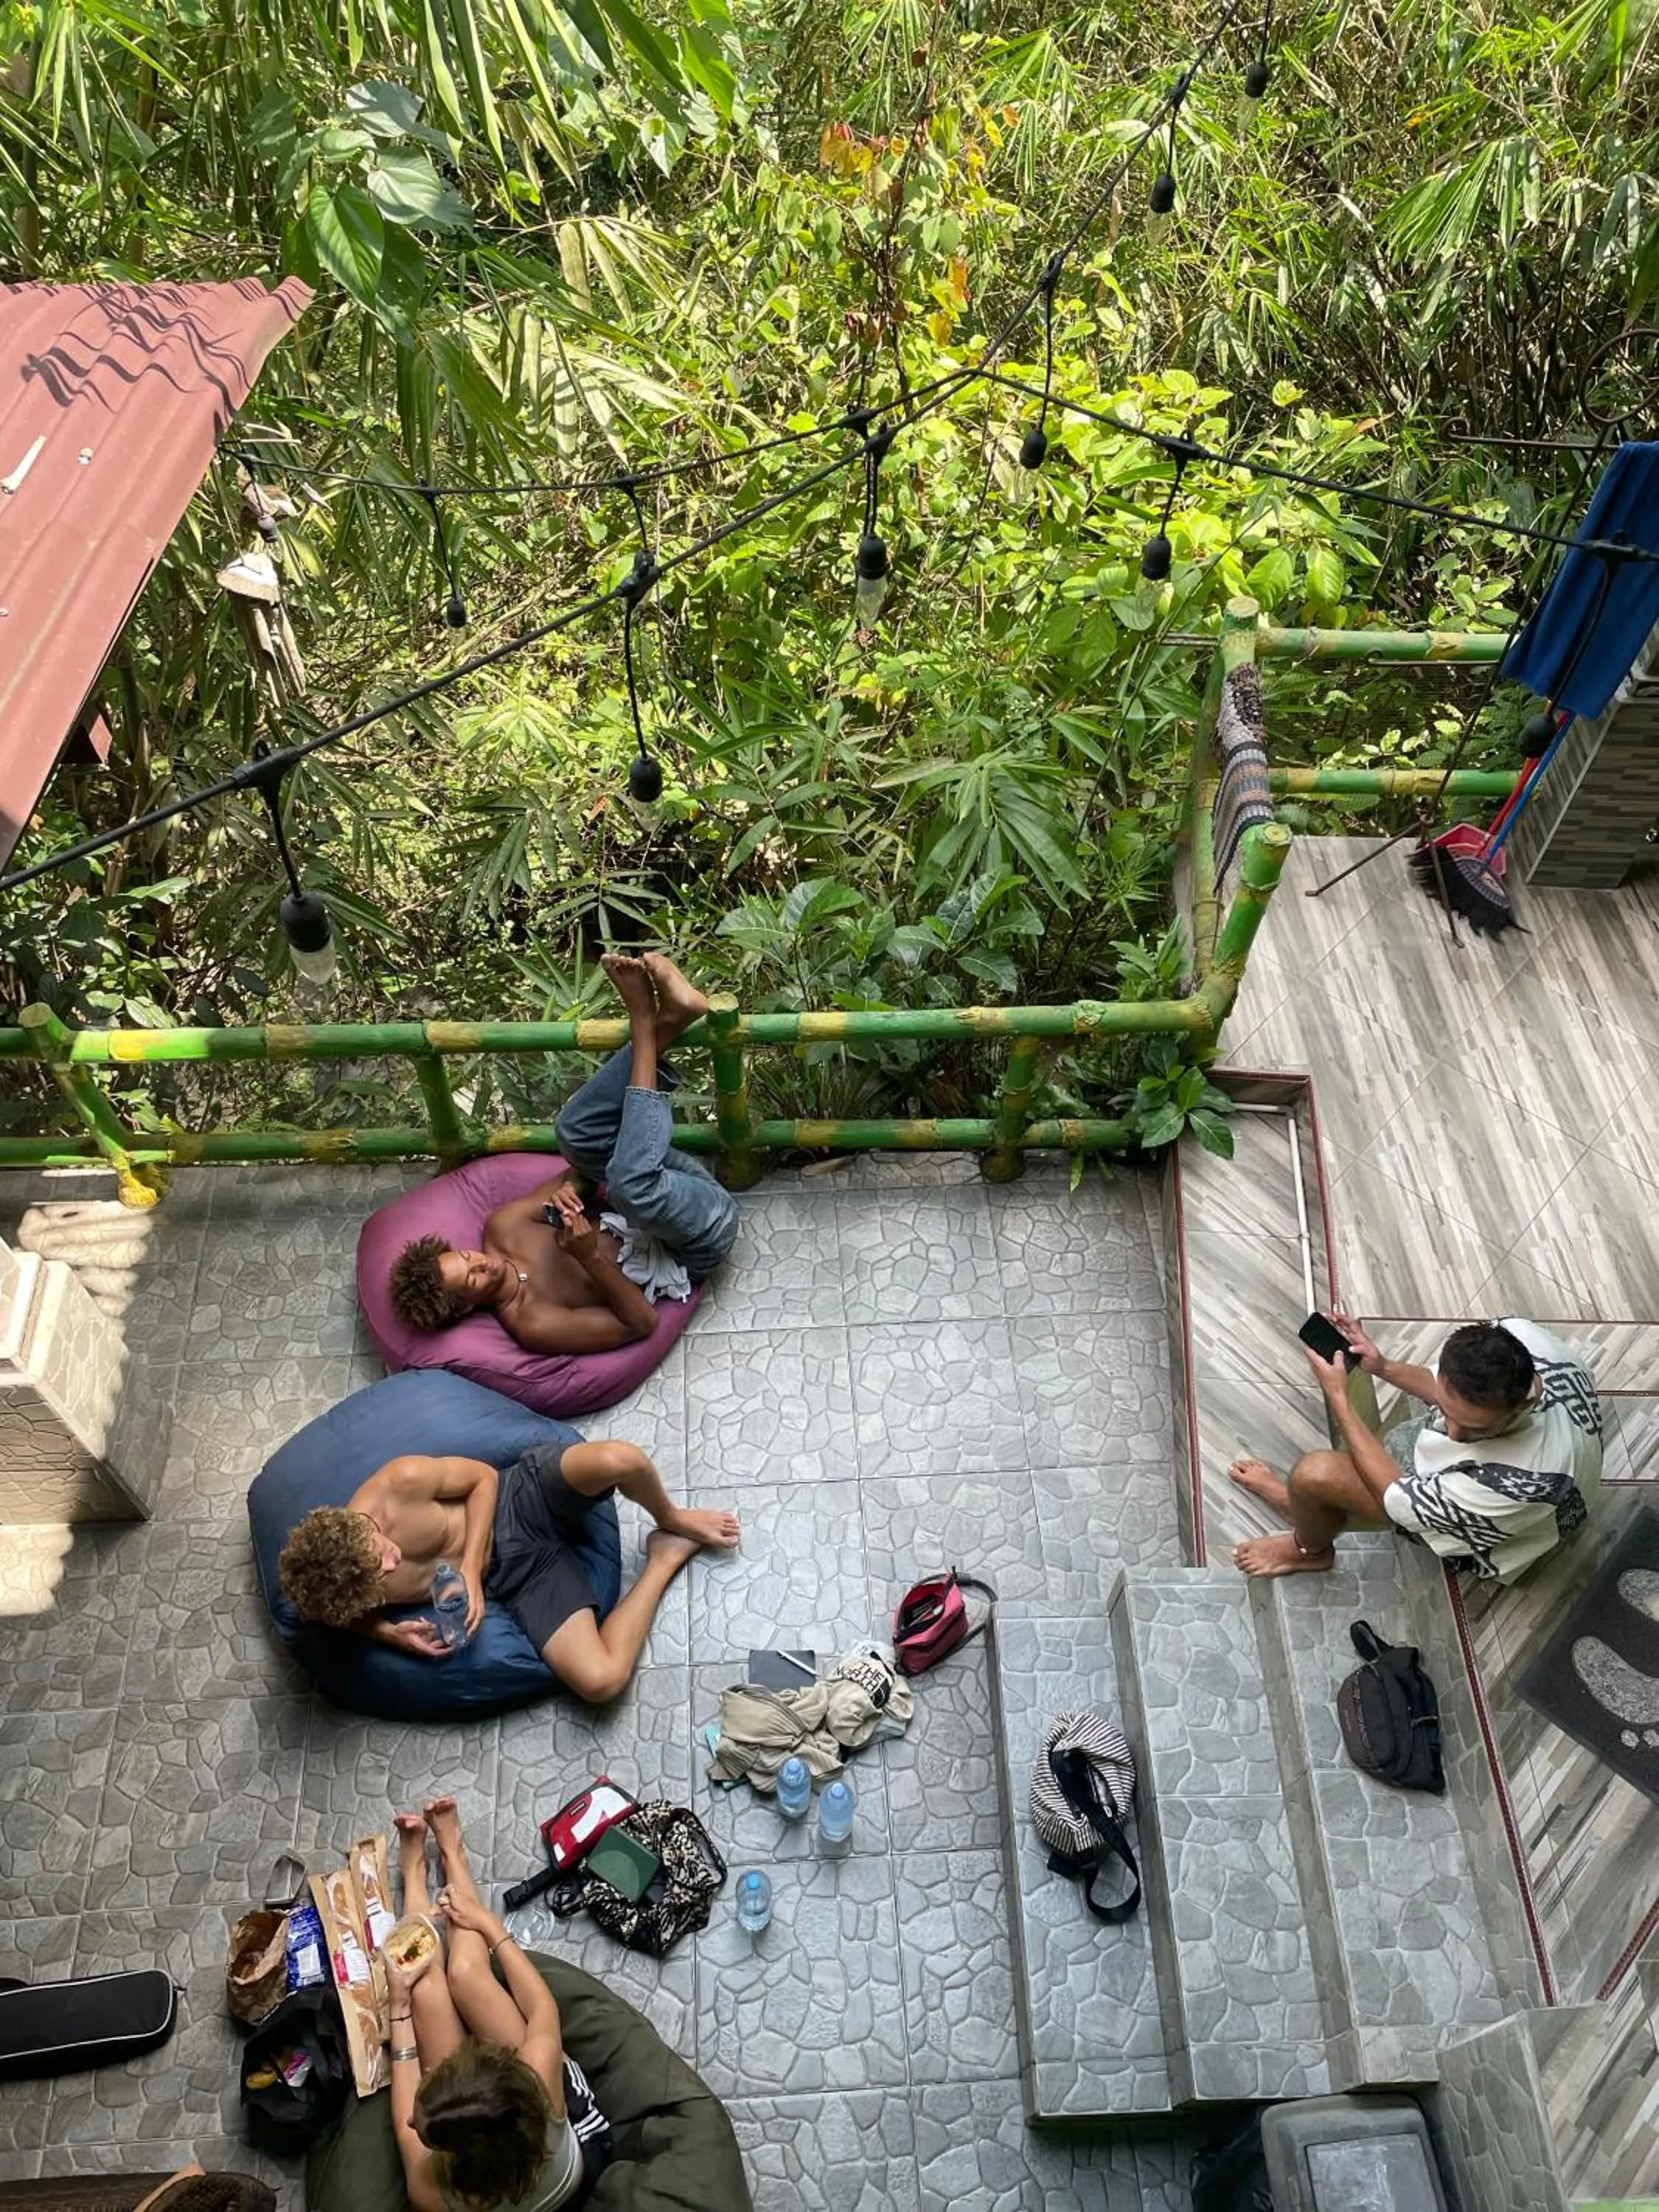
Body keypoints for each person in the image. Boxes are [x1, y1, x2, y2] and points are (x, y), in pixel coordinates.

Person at [387, 952, 739, 1357]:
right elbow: (642, 1323)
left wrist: (567, 1197)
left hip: (673, 1189)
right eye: (472, 1278)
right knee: (631, 1187)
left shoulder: (503, 1229)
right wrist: (589, 1258)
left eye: (467, 1257)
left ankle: (676, 1016)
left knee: (574, 1134)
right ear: (465, 1306)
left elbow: (581, 1174)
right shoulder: (533, 1321)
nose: (481, 1262)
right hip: (699, 1234)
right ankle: (647, 1022)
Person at [276, 1431, 739, 1703]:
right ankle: (665, 1555)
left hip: (520, 1497)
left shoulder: (400, 1482)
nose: (392, 1561)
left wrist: (472, 1570)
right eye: (380, 1574)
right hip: (519, 1576)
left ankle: (671, 1518)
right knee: (601, 1682)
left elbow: (482, 1478)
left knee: (620, 1458)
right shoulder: (337, 1588)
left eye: (380, 1548)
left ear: (355, 1524)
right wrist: (382, 1632)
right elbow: (318, 1615)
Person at [1231, 1312, 1601, 1583]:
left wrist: (1339, 1398)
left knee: (1316, 1475)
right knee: (1390, 1445)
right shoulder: (1517, 1337)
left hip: (1495, 1534)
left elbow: (1394, 1495)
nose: (1452, 1435)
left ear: (1520, 1404)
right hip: (1553, 1461)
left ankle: (1309, 1549)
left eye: (1473, 1428)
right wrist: (1382, 1366)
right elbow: (1448, 1396)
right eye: (1447, 1409)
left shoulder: (1510, 1486)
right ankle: (1307, 1507)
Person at [386, 1797, 609, 2212]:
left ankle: (414, 1875)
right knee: (468, 1972)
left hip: (535, 2172)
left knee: (423, 1990)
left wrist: (398, 2008)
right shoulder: (538, 2080)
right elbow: (544, 2009)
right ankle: (454, 1857)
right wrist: (488, 1925)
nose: (413, 2122)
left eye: (424, 2129)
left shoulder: (434, 2193)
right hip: (568, 2147)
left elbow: (405, 2126)